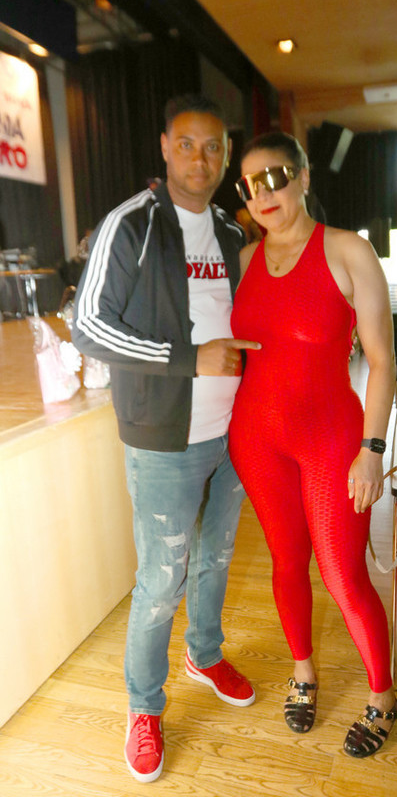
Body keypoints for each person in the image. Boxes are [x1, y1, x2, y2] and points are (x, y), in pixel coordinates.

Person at [72, 94, 261, 784]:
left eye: (213, 147)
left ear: (226, 156)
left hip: (232, 434)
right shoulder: (131, 224)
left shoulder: (232, 232)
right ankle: (143, 706)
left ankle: (204, 654)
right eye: (187, 144)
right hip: (162, 439)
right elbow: (88, 327)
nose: (200, 159)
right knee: (160, 579)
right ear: (164, 147)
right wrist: (190, 358)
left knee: (216, 559)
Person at [228, 131, 397, 758]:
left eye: (276, 176)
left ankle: (383, 695)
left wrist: (372, 450)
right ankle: (303, 671)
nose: (264, 193)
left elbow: (383, 361)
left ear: (303, 177)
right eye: (250, 183)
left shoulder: (349, 249)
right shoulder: (245, 258)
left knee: (342, 574)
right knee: (285, 562)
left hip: (331, 437)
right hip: (256, 438)